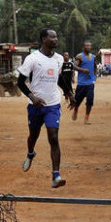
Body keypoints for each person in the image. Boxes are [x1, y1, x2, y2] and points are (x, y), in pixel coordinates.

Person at [17, 28, 75, 189]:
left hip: (53, 105)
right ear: (44, 39)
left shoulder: (58, 59)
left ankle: (56, 175)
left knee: (53, 137)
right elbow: (20, 82)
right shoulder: (32, 59)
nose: (56, 39)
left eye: (56, 36)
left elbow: (60, 79)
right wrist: (32, 97)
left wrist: (69, 93)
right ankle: (30, 152)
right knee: (33, 136)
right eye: (52, 37)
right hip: (35, 106)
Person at [72, 41, 96, 124]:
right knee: (77, 101)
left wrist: (94, 76)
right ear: (84, 47)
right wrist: (82, 70)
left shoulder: (93, 57)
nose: (88, 47)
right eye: (87, 46)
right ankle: (75, 110)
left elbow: (94, 66)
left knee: (90, 100)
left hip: (90, 83)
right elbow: (74, 66)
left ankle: (86, 118)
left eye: (90, 46)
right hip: (81, 83)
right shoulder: (80, 56)